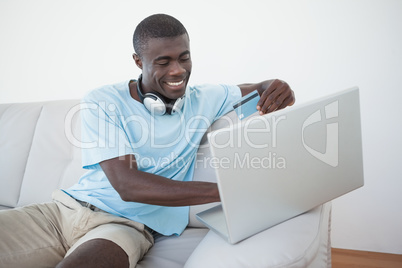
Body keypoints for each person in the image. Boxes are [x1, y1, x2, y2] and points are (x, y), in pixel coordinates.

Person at [0, 14, 295, 268]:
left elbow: (258, 88)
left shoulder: (207, 97)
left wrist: (277, 88)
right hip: (62, 211)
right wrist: (231, 189)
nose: (177, 70)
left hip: (124, 228)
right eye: (163, 61)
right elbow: (128, 185)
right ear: (138, 61)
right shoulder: (103, 100)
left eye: (184, 57)